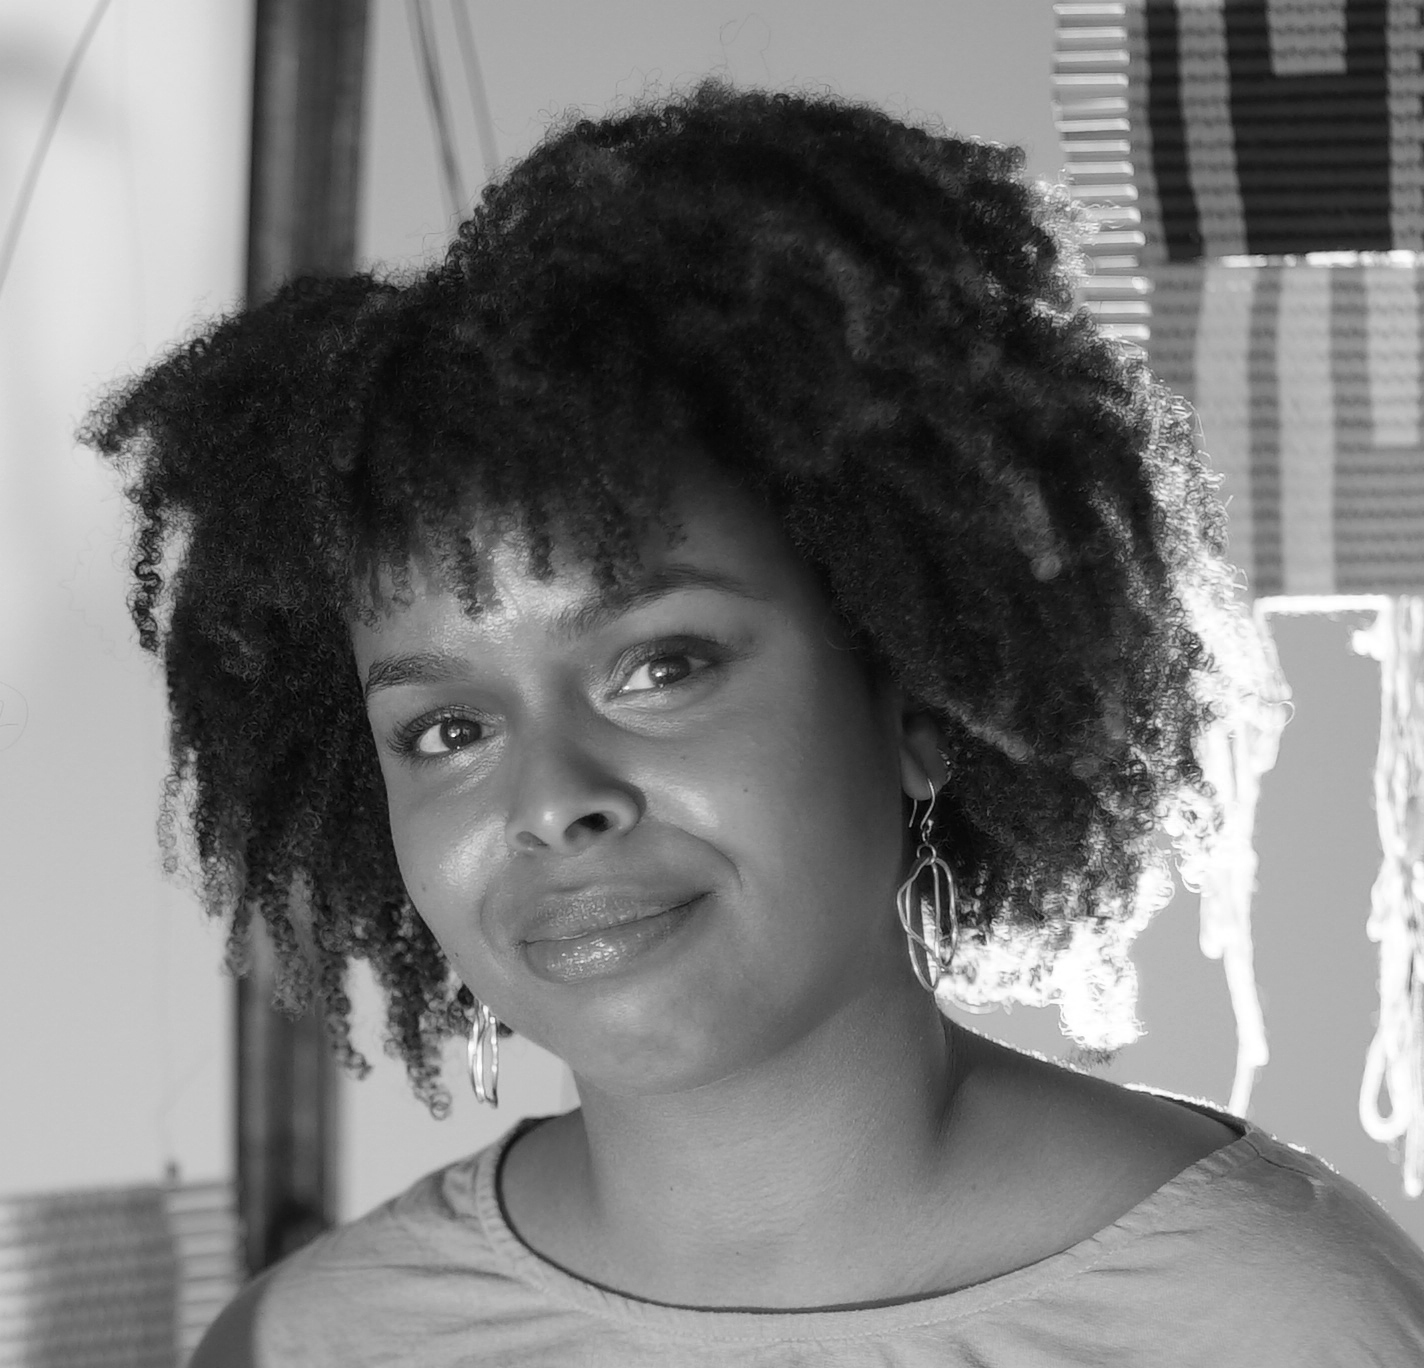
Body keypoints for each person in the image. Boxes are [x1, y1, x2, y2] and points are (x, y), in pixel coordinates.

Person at [84, 81, 1424, 1365]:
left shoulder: (1289, 1325)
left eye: (660, 666)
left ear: (918, 694)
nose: (552, 799)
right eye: (446, 730)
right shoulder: (307, 1348)